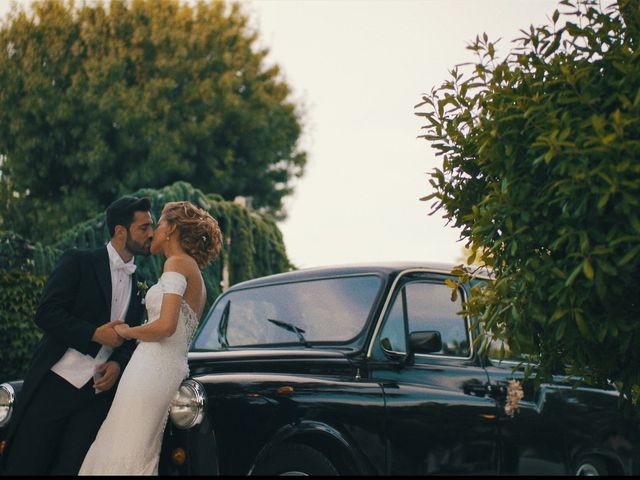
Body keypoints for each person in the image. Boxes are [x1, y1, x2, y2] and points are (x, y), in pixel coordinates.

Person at [2, 196, 154, 475]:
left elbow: (133, 338)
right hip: (55, 385)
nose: (151, 234)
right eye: (144, 227)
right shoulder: (79, 261)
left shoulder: (141, 282)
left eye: (151, 226)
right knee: (28, 463)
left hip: (95, 399)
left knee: (73, 469)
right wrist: (94, 334)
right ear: (121, 231)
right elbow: (46, 312)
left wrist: (118, 363)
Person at [79, 200, 223, 475]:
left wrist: (125, 331)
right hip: (162, 367)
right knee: (130, 445)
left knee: (124, 446)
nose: (153, 233)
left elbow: (166, 326)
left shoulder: (177, 263)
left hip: (152, 369)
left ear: (171, 229)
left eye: (157, 225)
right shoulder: (190, 269)